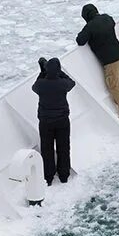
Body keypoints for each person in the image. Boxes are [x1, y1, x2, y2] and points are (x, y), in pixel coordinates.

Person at [32, 57, 74, 186]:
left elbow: (35, 86)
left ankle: (48, 177)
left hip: (45, 121)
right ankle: (64, 175)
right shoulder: (62, 84)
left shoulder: (41, 85)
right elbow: (71, 82)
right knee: (64, 147)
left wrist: (43, 72)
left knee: (47, 149)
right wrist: (59, 73)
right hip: (62, 120)